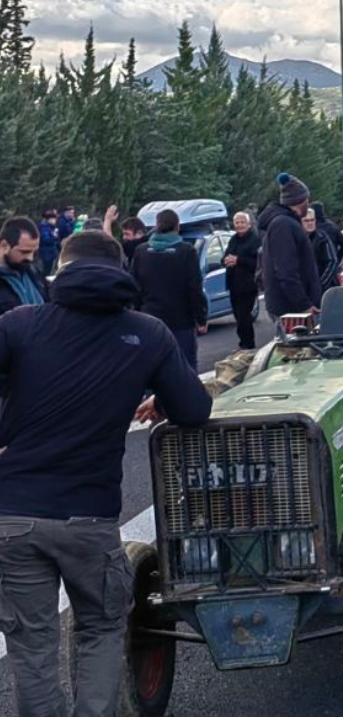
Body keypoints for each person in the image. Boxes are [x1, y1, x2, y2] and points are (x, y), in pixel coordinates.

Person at [0, 229, 212, 717]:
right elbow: (194, 410)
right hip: (88, 517)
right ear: (122, 269)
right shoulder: (146, 332)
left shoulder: (19, 324)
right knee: (100, 628)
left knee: (31, 645)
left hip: (13, 515)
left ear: (62, 268)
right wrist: (159, 397)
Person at [130, 209, 207, 369]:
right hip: (181, 320)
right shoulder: (186, 251)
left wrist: (137, 312)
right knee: (185, 365)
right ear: (177, 227)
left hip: (150, 318)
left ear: (157, 226)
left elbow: (133, 287)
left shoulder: (141, 251)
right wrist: (201, 318)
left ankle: (154, 394)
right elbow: (194, 288)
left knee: (153, 366)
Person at [258, 172, 323, 319]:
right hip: (292, 310)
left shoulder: (285, 223)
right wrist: (304, 305)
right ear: (301, 200)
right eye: (307, 199)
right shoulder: (283, 225)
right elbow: (286, 271)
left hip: (292, 308)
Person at [222, 211, 262, 351]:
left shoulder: (255, 240)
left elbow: (257, 262)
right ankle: (243, 342)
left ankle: (248, 345)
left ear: (249, 224)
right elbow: (225, 256)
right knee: (238, 316)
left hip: (248, 284)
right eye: (237, 222)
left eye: (242, 222)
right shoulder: (233, 240)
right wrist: (226, 260)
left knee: (244, 316)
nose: (239, 225)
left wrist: (238, 260)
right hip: (234, 284)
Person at [0, 217, 47, 316]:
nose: (30, 258)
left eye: (35, 252)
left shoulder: (33, 272)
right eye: (24, 252)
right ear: (4, 246)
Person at [303, 206, 341, 294]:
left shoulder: (322, 238)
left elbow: (332, 262)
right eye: (306, 220)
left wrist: (320, 285)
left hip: (325, 289)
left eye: (312, 220)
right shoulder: (298, 239)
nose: (310, 223)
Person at [37, 210, 60, 277]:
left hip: (51, 252)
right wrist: (54, 237)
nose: (55, 220)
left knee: (49, 270)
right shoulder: (44, 228)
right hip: (46, 253)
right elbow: (46, 240)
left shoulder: (52, 227)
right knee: (46, 271)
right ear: (49, 219)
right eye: (54, 219)